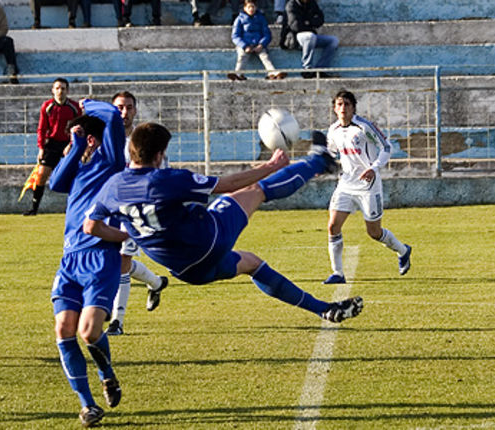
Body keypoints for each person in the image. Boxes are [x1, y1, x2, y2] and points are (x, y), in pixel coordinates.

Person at [83, 122, 364, 327]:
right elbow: (227, 184)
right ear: (158, 155)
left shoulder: (112, 187)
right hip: (209, 238)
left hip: (186, 270)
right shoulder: (165, 180)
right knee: (256, 189)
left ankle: (324, 309)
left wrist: (126, 235)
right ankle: (319, 161)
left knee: (252, 263)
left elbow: (91, 227)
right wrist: (271, 166)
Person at [48, 100, 126, 428]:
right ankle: (87, 405)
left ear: (92, 138)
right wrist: (76, 146)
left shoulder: (110, 161)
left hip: (100, 256)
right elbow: (55, 184)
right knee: (64, 330)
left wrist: (88, 105)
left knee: (89, 332)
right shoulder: (78, 166)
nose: (69, 144)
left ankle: (107, 373)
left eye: (75, 137)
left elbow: (113, 117)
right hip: (70, 259)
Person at [322, 90, 411, 284]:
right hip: (346, 184)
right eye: (339, 104)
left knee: (374, 233)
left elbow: (386, 147)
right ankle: (338, 273)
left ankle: (403, 250)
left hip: (368, 186)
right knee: (333, 226)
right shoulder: (333, 130)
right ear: (334, 108)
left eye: (347, 104)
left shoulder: (364, 127)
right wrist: (321, 164)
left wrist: (374, 168)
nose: (343, 108)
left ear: (353, 108)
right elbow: (331, 152)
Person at [105, 91, 168, 336]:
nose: (124, 112)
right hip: (107, 207)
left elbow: (161, 171)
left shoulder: (143, 140)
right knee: (112, 261)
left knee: (122, 260)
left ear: (135, 110)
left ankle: (116, 321)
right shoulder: (104, 137)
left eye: (129, 107)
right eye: (119, 107)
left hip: (133, 210)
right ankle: (156, 282)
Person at [24, 78, 81, 216]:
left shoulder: (74, 107)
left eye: (63, 88)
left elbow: (79, 128)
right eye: (57, 88)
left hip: (68, 144)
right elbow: (42, 128)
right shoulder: (47, 106)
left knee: (74, 176)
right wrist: (41, 148)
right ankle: (34, 208)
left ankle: (75, 207)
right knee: (41, 175)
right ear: (53, 90)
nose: (60, 91)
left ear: (67, 91)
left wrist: (71, 144)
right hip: (52, 144)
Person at [229, 0, 286, 81]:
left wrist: (261, 44)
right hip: (245, 44)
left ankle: (272, 72)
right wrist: (245, 46)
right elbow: (235, 36)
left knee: (265, 56)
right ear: (245, 8)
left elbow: (267, 34)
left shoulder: (261, 18)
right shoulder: (239, 19)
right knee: (242, 56)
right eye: (249, 7)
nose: (251, 9)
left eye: (253, 7)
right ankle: (238, 73)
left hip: (258, 44)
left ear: (256, 7)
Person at [285, 0, 338, 79]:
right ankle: (307, 69)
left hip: (312, 36)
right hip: (296, 36)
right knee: (310, 36)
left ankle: (320, 70)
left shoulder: (312, 3)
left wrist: (307, 22)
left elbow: (320, 19)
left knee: (333, 40)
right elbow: (295, 26)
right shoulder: (291, 4)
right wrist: (311, 22)